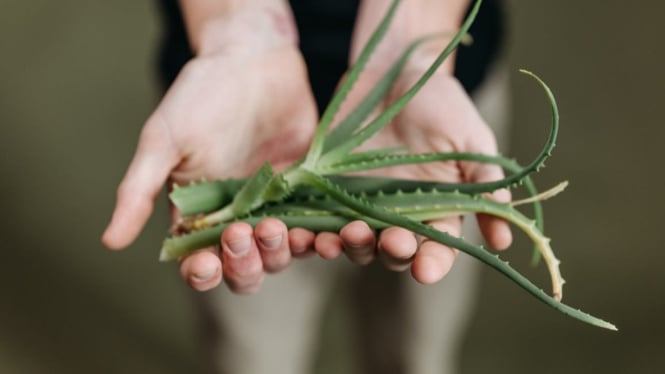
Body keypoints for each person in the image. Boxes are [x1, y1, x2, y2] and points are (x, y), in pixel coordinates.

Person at [103, 0, 510, 373]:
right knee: (248, 351)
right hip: (234, 123)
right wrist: (234, 29)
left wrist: (416, 42)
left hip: (427, 109)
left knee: (413, 348)